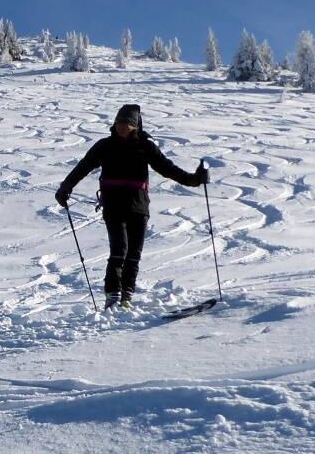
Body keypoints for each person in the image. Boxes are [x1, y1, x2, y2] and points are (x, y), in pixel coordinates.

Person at [56, 104, 208, 310]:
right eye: (119, 122)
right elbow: (83, 166)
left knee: (133, 254)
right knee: (119, 249)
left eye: (126, 124)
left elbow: (167, 168)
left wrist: (194, 180)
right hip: (113, 205)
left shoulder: (145, 146)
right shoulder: (105, 146)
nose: (121, 127)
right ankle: (112, 296)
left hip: (138, 206)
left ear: (134, 126)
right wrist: (66, 187)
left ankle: (126, 296)